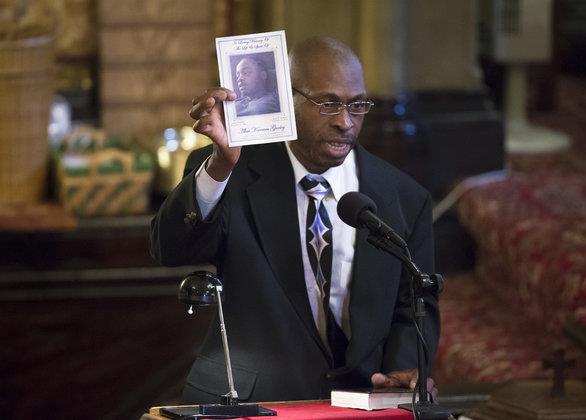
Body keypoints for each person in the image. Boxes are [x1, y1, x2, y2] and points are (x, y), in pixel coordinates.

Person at [150, 36, 440, 404]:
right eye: (328, 104)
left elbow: (414, 304)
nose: (345, 122)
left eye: (357, 105)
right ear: (287, 100)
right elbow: (170, 248)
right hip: (250, 401)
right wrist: (221, 166)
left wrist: (402, 373)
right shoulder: (232, 170)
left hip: (360, 401)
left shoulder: (404, 198)